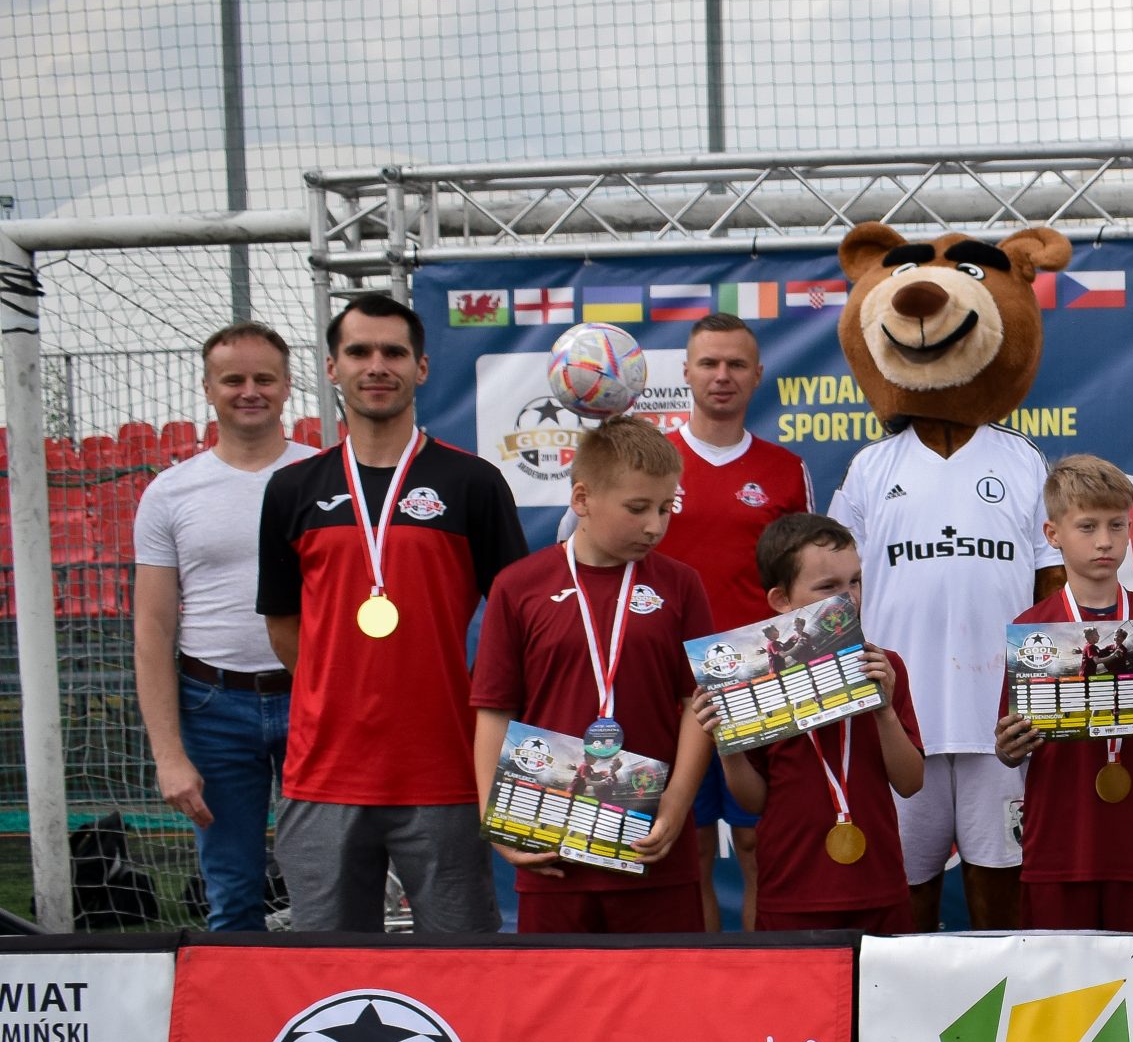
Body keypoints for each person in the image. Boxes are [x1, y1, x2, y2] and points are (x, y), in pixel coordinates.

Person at [258, 292, 526, 932]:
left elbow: (515, 620)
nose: (377, 366)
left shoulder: (473, 483)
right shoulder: (293, 488)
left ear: (421, 367)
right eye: (359, 352)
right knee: (331, 968)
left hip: (444, 767)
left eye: (394, 353)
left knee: (459, 964)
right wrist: (342, 686)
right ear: (332, 368)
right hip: (325, 771)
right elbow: (284, 625)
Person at [827, 386, 1061, 936]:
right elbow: (833, 588)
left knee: (1003, 884)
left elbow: (1052, 583)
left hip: (1001, 723)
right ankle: (903, 995)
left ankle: (1004, 990)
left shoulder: (1022, 458)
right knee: (904, 888)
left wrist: (1042, 697)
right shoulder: (871, 466)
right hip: (899, 723)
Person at [471, 419, 712, 933]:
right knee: (557, 986)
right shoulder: (518, 585)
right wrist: (495, 817)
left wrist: (676, 802)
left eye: (665, 508)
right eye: (637, 508)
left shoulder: (682, 585)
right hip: (549, 845)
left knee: (663, 984)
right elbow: (494, 708)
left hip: (652, 843)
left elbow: (698, 703)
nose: (655, 526)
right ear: (582, 499)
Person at [133, 322, 316, 930]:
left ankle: (326, 990)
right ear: (208, 388)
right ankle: (238, 996)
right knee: (233, 894)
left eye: (264, 378)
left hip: (312, 697)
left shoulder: (326, 478)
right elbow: (153, 629)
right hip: (212, 707)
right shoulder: (170, 493)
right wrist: (168, 756)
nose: (250, 391)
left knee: (325, 883)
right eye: (233, 379)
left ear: (288, 385)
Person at [654, 312, 814, 932]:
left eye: (736, 364)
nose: (722, 376)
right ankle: (700, 982)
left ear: (758, 375)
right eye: (709, 363)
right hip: (672, 688)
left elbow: (807, 590)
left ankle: (761, 975)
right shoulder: (653, 461)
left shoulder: (785, 469)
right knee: (686, 848)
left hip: (761, 684)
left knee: (758, 846)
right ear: (686, 371)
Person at [694, 514, 925, 933]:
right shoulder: (754, 683)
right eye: (828, 587)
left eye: (855, 581)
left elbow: (910, 782)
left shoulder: (885, 667)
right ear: (781, 599)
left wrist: (885, 711)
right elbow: (753, 802)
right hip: (790, 889)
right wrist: (726, 747)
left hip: (880, 886)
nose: (848, 597)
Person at [994, 455, 1133, 931]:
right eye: (1087, 526)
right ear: (1053, 534)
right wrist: (1007, 746)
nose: (1104, 540)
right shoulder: (1031, 628)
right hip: (1057, 841)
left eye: (1116, 525)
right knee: (1057, 975)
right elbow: (1008, 748)